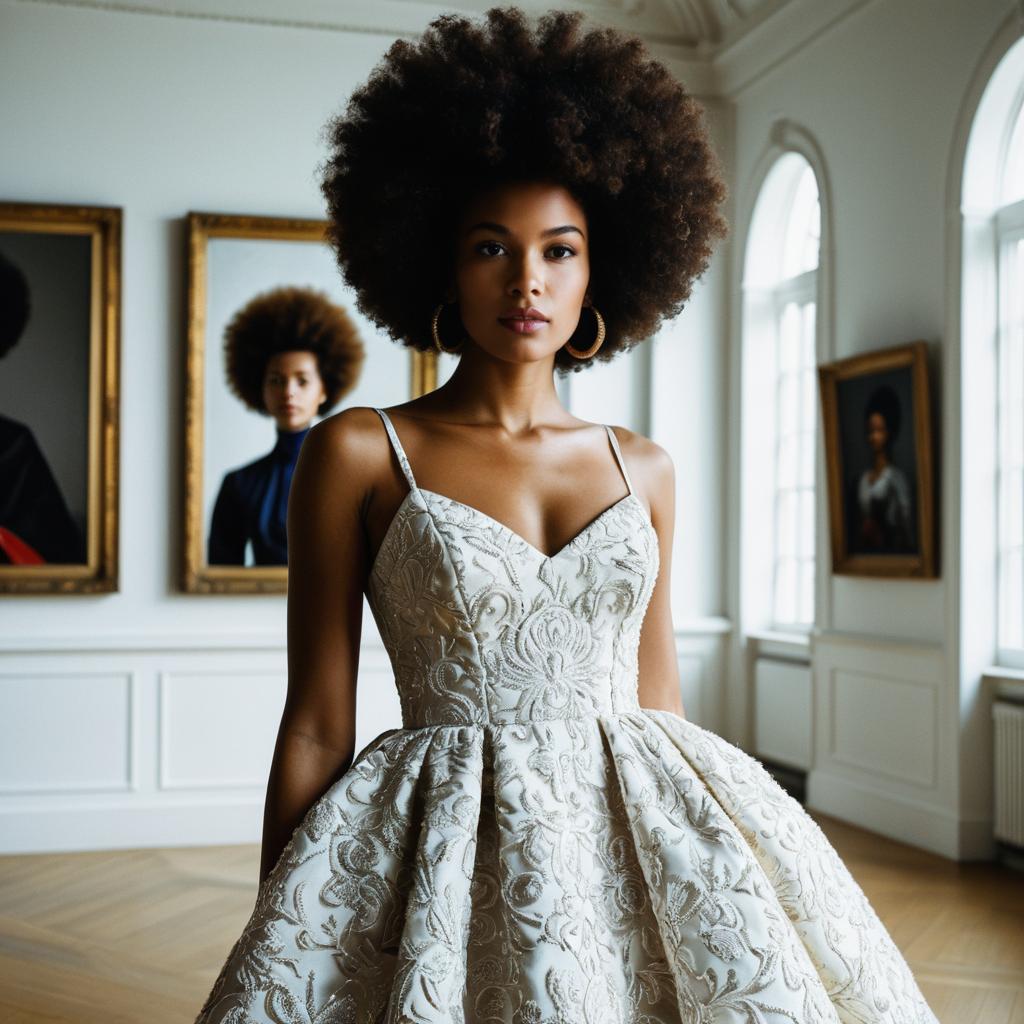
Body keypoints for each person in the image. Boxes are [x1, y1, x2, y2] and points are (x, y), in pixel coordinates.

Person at [195, 8, 938, 1022]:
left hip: (635, 823)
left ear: (602, 270)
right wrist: (281, 917)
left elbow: (657, 696)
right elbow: (320, 724)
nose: (527, 281)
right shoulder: (361, 449)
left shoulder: (646, 467)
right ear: (441, 266)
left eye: (559, 249)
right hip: (441, 845)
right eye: (492, 247)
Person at [206, 285, 364, 566]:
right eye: (276, 380)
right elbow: (220, 574)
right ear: (260, 389)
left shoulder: (352, 481)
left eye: (302, 381)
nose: (288, 392)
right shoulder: (239, 485)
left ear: (324, 390)